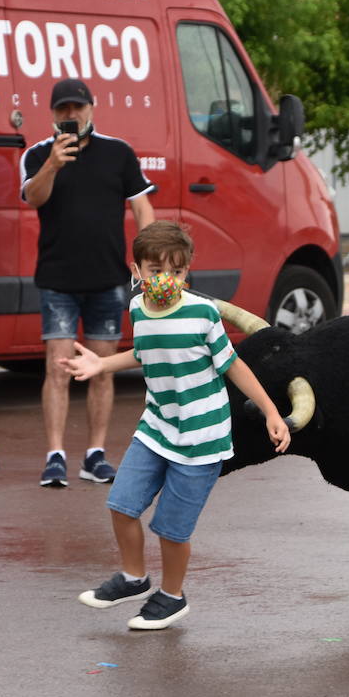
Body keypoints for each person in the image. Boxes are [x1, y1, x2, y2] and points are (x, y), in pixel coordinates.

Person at [60, 221, 290, 629]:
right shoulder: (136, 309)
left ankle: (172, 596)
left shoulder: (203, 312)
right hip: (157, 427)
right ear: (137, 271)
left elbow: (233, 366)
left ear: (187, 271)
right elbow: (146, 352)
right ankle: (134, 578)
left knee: (171, 528)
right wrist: (101, 363)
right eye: (154, 270)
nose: (165, 279)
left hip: (202, 437)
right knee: (121, 505)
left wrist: (272, 412)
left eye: (176, 271)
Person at [21, 77, 155, 488]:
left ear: (92, 108)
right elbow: (34, 198)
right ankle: (55, 455)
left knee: (102, 369)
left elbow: (142, 206)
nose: (71, 115)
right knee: (58, 368)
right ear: (53, 114)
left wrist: (148, 263)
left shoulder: (118, 153)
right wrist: (54, 164)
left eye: (78, 107)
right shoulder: (38, 155)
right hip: (59, 280)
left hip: (108, 278)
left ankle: (95, 454)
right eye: (63, 109)